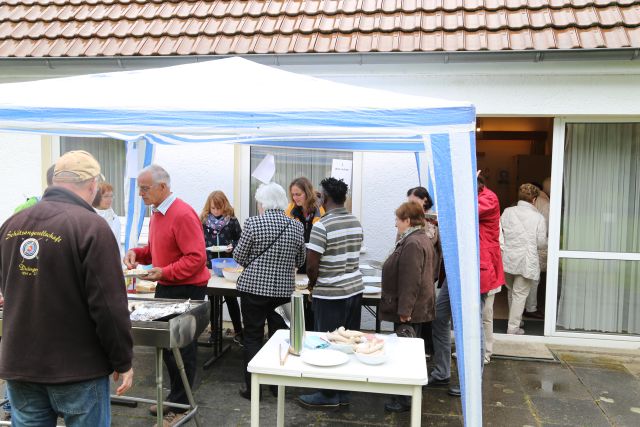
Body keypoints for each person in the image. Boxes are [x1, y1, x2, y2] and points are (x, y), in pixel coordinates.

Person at [0, 150, 133, 426]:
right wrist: (123, 361)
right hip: (77, 368)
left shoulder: (12, 225)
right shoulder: (92, 227)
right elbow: (109, 306)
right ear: (93, 185)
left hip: (21, 365)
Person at [123, 164, 210, 426]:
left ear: (162, 187)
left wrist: (163, 272)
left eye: (145, 188)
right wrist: (137, 254)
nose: (140, 193)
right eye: (139, 188)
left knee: (182, 348)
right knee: (168, 348)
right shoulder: (158, 212)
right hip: (169, 284)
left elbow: (197, 258)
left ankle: (181, 405)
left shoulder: (182, 213)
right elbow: (154, 249)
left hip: (186, 288)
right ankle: (175, 397)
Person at [233, 182, 306, 399]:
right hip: (283, 291)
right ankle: (276, 387)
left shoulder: (254, 223)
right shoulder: (296, 226)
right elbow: (300, 259)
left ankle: (253, 389)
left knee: (253, 337)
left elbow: (238, 256)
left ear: (263, 203)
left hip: (253, 289)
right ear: (283, 202)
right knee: (279, 337)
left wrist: (253, 263)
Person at [297, 177, 364, 409]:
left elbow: (312, 265)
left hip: (331, 294)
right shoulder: (356, 222)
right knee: (347, 344)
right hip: (354, 290)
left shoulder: (322, 225)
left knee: (326, 343)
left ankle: (327, 394)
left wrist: (313, 286)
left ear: (324, 198)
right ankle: (342, 392)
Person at [380, 202, 435, 412]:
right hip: (418, 307)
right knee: (411, 353)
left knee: (405, 355)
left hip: (411, 311)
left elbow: (410, 280)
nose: (395, 225)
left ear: (408, 221)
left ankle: (403, 399)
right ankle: (407, 394)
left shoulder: (412, 243)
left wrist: (405, 310)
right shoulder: (421, 238)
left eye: (397, 220)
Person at [500, 183, 547, 335]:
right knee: (520, 294)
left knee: (511, 291)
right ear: (534, 200)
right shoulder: (538, 217)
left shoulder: (507, 212)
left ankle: (516, 321)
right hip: (526, 260)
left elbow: (499, 234)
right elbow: (541, 243)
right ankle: (513, 328)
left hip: (507, 257)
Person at [200, 190, 244, 345]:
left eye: (219, 208)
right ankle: (215, 332)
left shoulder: (231, 220)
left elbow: (241, 239)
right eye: (213, 208)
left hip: (229, 266)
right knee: (212, 300)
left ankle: (239, 331)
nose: (216, 211)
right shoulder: (203, 221)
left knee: (231, 299)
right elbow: (198, 240)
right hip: (210, 265)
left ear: (224, 206)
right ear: (209, 207)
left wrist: (234, 246)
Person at [285, 177, 324, 330]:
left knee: (312, 305)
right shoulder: (290, 209)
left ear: (307, 193)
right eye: (293, 195)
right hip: (297, 264)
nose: (295, 198)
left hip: (315, 264)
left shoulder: (320, 210)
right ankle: (298, 333)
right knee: (297, 302)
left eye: (298, 194)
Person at [406, 186, 441, 358]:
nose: (409, 205)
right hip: (411, 269)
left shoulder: (431, 221)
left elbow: (427, 242)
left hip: (425, 270)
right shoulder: (409, 219)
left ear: (424, 201)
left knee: (422, 308)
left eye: (413, 202)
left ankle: (425, 347)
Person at [477, 175, 505, 364]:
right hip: (483, 265)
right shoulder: (485, 199)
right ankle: (477, 349)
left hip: (488, 267)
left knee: (486, 313)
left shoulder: (489, 199)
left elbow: (469, 210)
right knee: (477, 312)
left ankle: (486, 351)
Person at [525, 179, 550, 319]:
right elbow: (547, 227)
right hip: (539, 245)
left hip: (524, 245)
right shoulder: (545, 203)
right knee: (535, 279)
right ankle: (531, 308)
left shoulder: (516, 207)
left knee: (524, 280)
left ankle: (524, 307)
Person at [92, 181, 122, 256]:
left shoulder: (115, 218)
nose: (109, 199)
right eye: (106, 196)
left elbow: (118, 245)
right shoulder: (89, 217)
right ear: (96, 197)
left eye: (111, 196)